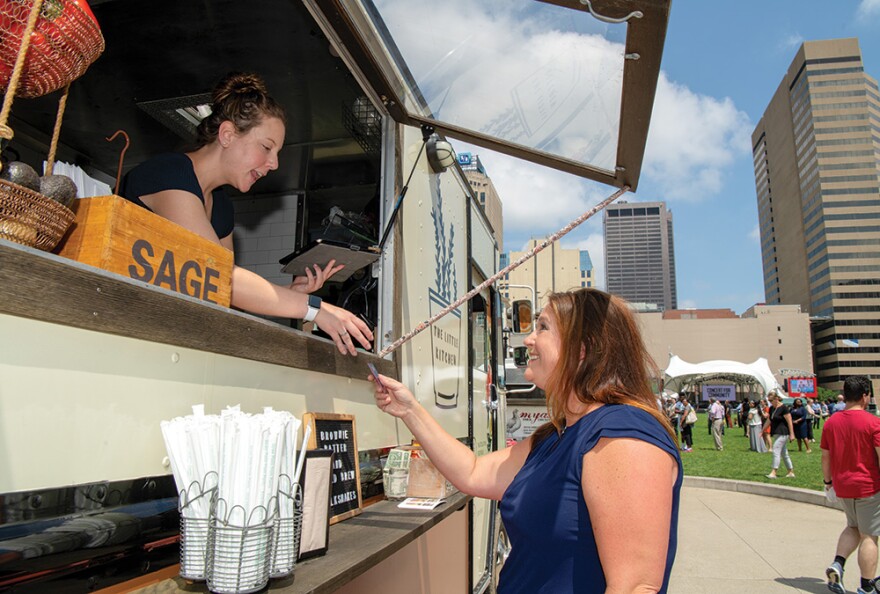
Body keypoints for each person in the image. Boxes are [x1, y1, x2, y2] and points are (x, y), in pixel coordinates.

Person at [370, 289, 682, 592]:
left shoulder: (623, 433)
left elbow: (636, 586)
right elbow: (473, 472)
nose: (529, 339)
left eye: (543, 327)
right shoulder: (555, 435)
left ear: (582, 350)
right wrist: (409, 410)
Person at [120, 72, 372, 356]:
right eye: (266, 147)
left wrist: (292, 293)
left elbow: (221, 293)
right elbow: (217, 274)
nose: (274, 163)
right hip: (122, 325)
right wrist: (314, 308)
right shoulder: (170, 173)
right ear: (227, 135)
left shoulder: (222, 207)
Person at [822, 376, 880, 594]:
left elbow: (825, 457)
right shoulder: (873, 423)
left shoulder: (831, 422)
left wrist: (828, 482)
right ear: (865, 396)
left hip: (843, 486)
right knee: (869, 536)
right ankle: (867, 585)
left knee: (853, 527)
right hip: (869, 487)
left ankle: (838, 563)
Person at [766, 392, 795, 479]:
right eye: (769, 400)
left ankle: (774, 472)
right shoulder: (772, 408)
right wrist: (762, 430)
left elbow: (789, 421)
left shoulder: (784, 408)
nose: (770, 402)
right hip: (776, 433)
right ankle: (790, 472)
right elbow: (769, 420)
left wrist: (792, 434)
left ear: (776, 399)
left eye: (771, 400)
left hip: (783, 433)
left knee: (776, 450)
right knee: (784, 453)